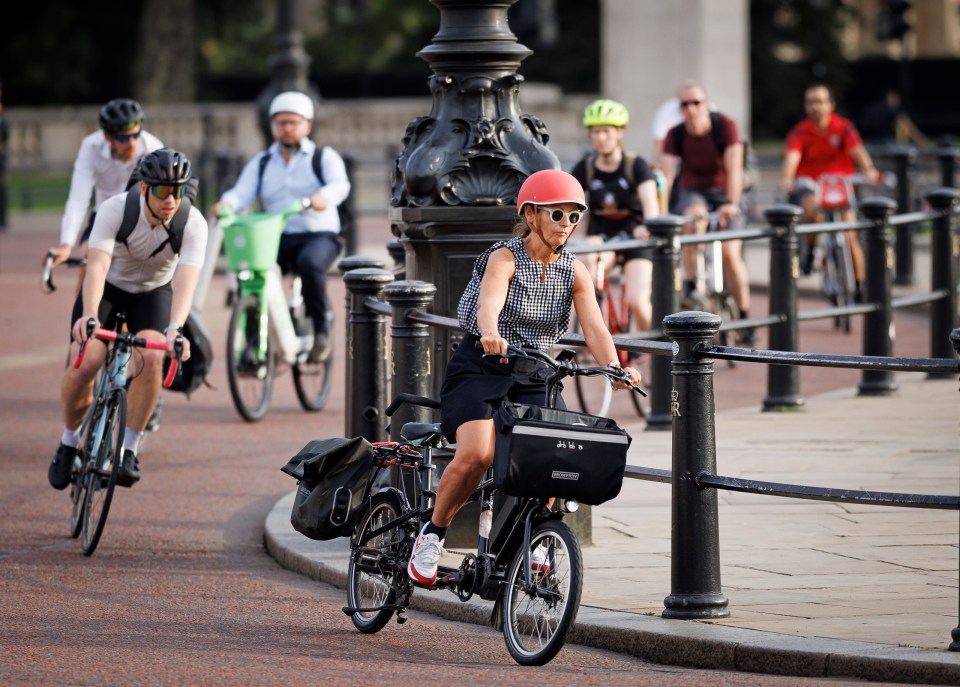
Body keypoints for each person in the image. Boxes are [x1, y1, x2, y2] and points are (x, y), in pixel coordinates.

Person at [406, 169, 642, 586]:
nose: (566, 226)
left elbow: (596, 328)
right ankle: (432, 534)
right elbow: (489, 302)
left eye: (573, 217)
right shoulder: (505, 256)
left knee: (556, 456)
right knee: (477, 455)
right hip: (482, 365)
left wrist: (615, 369)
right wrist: (492, 333)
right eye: (557, 215)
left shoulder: (575, 270)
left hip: (535, 370)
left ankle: (532, 543)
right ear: (531, 215)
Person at [47, 149, 208, 491]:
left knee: (151, 357)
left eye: (178, 191)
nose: (171, 200)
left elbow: (186, 281)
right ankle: (69, 441)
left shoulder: (192, 223)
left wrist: (175, 330)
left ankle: (129, 450)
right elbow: (97, 266)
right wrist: (89, 314)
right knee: (87, 360)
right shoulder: (115, 210)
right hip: (107, 290)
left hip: (152, 295)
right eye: (163, 191)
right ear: (144, 188)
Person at [212, 91, 350, 363]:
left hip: (318, 233)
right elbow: (242, 193)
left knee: (310, 264)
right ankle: (254, 342)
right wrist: (226, 204)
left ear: (307, 126)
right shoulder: (262, 161)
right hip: (276, 235)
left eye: (292, 122)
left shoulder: (323, 157)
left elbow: (340, 185)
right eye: (280, 122)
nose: (286, 128)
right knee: (249, 272)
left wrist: (323, 198)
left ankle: (321, 333)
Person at [658, 80, 754, 344]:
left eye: (696, 103)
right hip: (694, 192)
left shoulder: (726, 126)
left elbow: (735, 169)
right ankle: (691, 282)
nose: (691, 109)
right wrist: (662, 214)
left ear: (706, 104)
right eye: (685, 104)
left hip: (725, 191)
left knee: (731, 253)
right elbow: (665, 177)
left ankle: (746, 319)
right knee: (694, 219)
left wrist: (731, 202)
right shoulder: (674, 134)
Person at [46, 98, 164, 278]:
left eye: (135, 134)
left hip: (141, 215)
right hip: (104, 213)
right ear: (108, 136)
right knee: (88, 256)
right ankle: (85, 306)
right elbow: (79, 198)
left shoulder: (153, 148)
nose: (132, 142)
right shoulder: (91, 147)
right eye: (124, 137)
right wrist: (66, 244)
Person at [780, 83, 881, 293]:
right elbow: (792, 158)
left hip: (841, 187)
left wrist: (869, 169)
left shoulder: (843, 128)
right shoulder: (800, 132)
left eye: (820, 101)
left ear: (831, 104)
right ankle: (809, 249)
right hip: (812, 187)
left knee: (850, 234)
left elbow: (858, 150)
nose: (815, 106)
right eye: (810, 102)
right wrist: (787, 179)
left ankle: (860, 284)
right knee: (812, 209)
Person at [570, 99, 660, 332]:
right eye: (595, 132)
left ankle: (660, 352)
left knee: (638, 301)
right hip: (602, 237)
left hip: (636, 238)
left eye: (606, 131)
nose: (600, 138)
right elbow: (569, 204)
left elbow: (651, 204)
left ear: (620, 132)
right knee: (587, 259)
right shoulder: (586, 167)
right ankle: (593, 330)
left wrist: (648, 226)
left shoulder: (636, 165)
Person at [858, 90, 927, 148]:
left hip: (872, 144)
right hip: (888, 144)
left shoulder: (872, 109)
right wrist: (919, 139)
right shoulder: (892, 111)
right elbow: (905, 125)